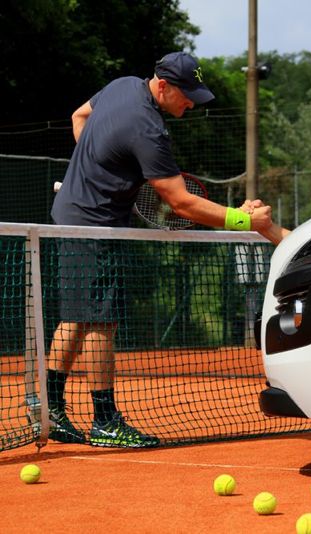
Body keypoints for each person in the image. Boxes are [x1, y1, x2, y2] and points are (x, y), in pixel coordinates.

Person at [48, 51, 289, 448]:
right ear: (163, 86)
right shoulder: (148, 128)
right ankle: (104, 420)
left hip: (68, 212)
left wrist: (92, 170)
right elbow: (182, 203)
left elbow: (79, 117)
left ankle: (51, 410)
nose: (192, 102)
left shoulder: (121, 85)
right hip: (95, 225)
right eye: (187, 94)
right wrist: (248, 221)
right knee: (100, 320)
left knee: (77, 316)